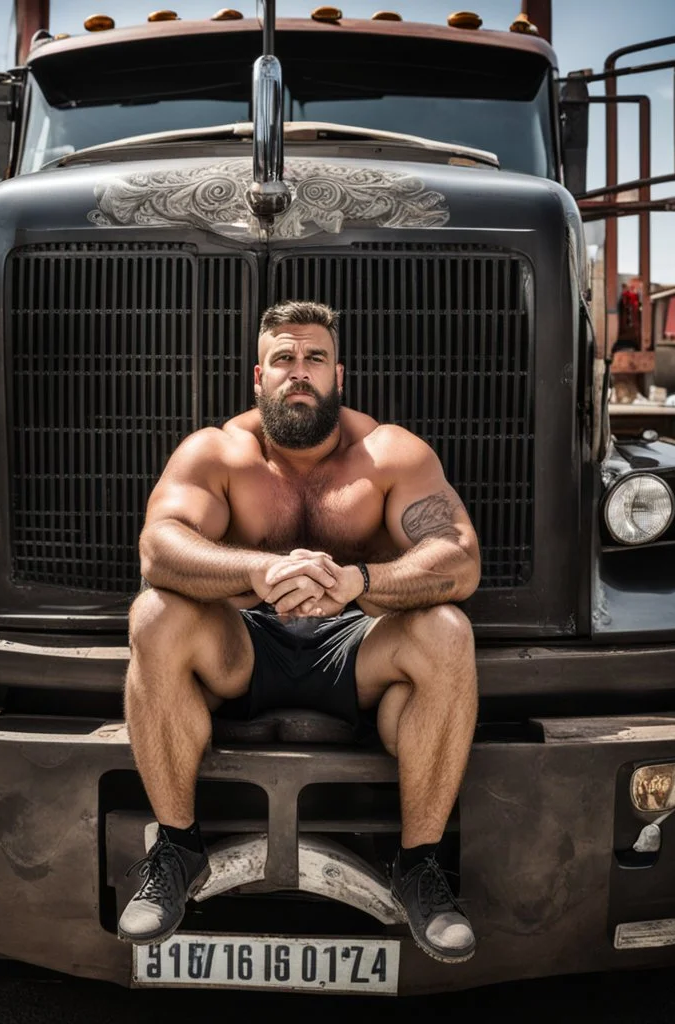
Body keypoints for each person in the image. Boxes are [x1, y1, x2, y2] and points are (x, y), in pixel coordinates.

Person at [117, 300, 481, 963]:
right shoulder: (220, 450)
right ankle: (177, 851)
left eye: (314, 357)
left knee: (449, 629)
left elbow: (459, 560)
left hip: (357, 648)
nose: (299, 371)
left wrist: (358, 584)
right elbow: (159, 552)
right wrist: (260, 570)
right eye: (284, 358)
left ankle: (418, 866)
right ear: (258, 375)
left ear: (338, 372)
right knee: (153, 613)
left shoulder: (388, 452)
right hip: (244, 648)